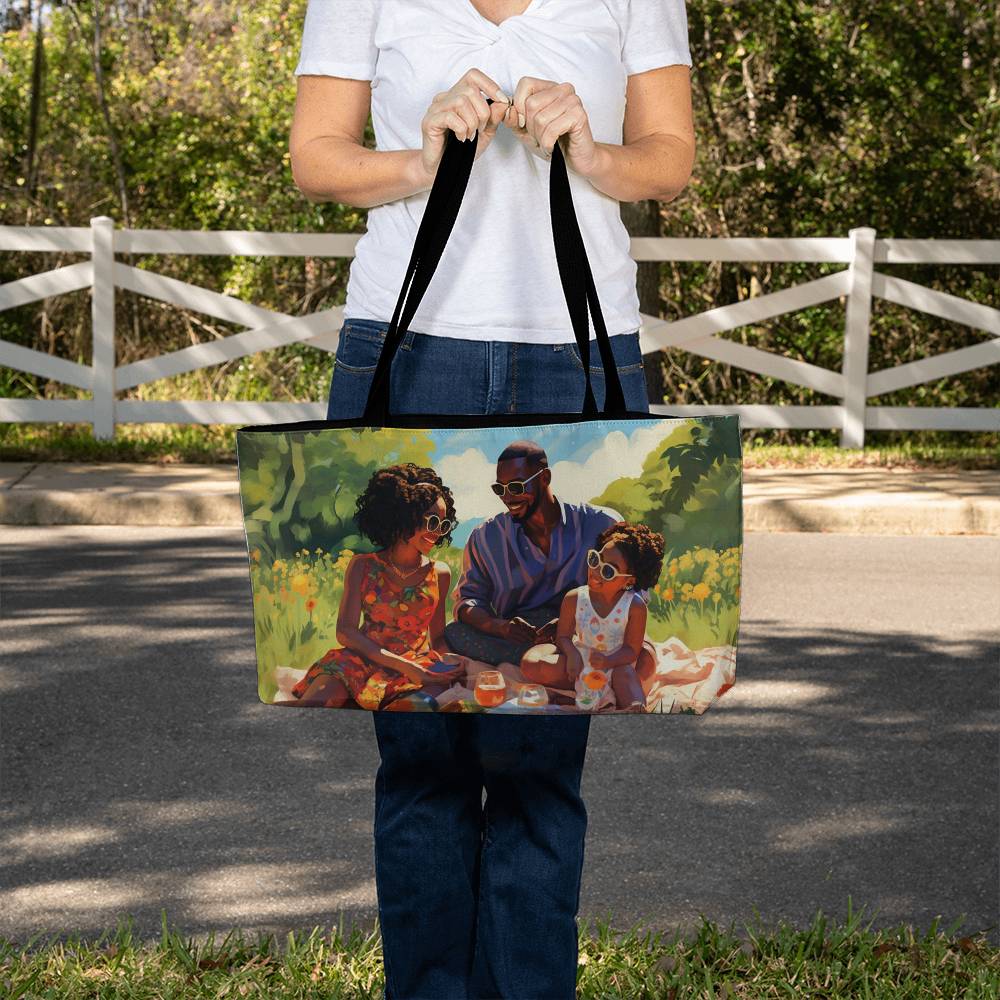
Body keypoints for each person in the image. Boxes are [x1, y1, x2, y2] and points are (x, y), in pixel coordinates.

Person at [290, 1, 695, 996]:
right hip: (404, 353)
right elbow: (316, 157)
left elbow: (669, 159)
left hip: (578, 365)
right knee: (419, 739)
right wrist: (419, 156)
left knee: (541, 744)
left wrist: (592, 154)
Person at [444, 439, 663, 698]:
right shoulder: (484, 537)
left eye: (516, 486)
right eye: (499, 489)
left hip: (591, 627)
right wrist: (500, 627)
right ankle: (590, 681)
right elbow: (468, 601)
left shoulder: (601, 523)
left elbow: (634, 593)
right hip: (521, 635)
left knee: (646, 660)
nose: (507, 497)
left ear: (545, 477)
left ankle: (576, 680)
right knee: (454, 633)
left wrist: (574, 624)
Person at [286, 464, 470, 712]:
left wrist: (450, 661)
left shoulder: (440, 573)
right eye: (432, 521)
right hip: (361, 660)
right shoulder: (363, 566)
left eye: (443, 524)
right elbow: (346, 632)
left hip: (416, 666)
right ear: (404, 515)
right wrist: (406, 667)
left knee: (418, 707)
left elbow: (436, 637)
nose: (438, 531)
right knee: (318, 704)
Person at [557, 522, 666, 714]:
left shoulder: (635, 606)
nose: (596, 571)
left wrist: (608, 661)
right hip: (583, 660)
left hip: (617, 664)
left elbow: (632, 650)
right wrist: (572, 654)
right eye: (595, 560)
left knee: (626, 675)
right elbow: (563, 636)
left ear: (629, 580)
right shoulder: (574, 598)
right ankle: (573, 693)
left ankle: (634, 708)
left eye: (608, 571)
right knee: (534, 664)